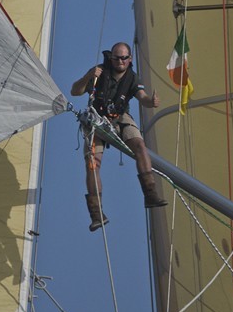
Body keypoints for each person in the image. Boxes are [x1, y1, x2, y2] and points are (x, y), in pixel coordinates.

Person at [71, 42, 168, 232]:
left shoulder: (132, 77)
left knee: (139, 146)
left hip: (120, 117)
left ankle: (150, 194)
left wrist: (151, 101)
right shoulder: (99, 72)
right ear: (111, 58)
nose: (120, 61)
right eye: (116, 58)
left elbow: (142, 97)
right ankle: (97, 214)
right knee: (92, 164)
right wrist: (88, 76)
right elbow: (75, 91)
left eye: (124, 58)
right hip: (97, 119)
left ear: (130, 59)